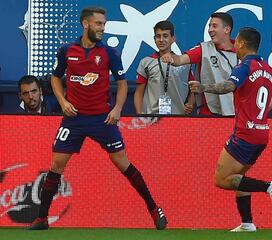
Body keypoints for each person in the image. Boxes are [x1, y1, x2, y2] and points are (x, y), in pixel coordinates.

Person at [27, 7, 167, 230]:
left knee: (122, 163)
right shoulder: (66, 50)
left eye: (104, 24)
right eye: (99, 24)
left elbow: (122, 84)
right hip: (73, 120)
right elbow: (55, 78)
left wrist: (118, 109)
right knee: (56, 165)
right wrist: (63, 102)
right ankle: (41, 219)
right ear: (85, 24)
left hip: (103, 119)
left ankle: (153, 208)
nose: (103, 28)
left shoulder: (109, 53)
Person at [188, 27, 272, 232]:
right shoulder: (268, 69)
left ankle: (270, 186)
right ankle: (247, 223)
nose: (234, 45)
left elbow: (228, 86)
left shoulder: (244, 66)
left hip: (245, 133)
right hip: (262, 134)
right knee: (239, 177)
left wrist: (203, 87)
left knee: (222, 179)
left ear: (242, 44)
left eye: (237, 42)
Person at [161, 12, 237, 116]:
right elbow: (180, 59)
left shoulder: (241, 51)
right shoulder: (203, 48)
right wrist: (172, 58)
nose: (210, 30)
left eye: (214, 26)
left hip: (235, 112)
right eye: (209, 26)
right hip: (209, 113)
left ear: (227, 29)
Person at [134, 20, 195, 115]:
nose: (161, 40)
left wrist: (190, 103)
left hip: (178, 117)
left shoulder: (184, 63)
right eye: (158, 36)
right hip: (152, 117)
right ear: (154, 39)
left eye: (165, 36)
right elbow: (138, 92)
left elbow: (193, 87)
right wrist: (139, 114)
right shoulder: (146, 62)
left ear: (173, 39)